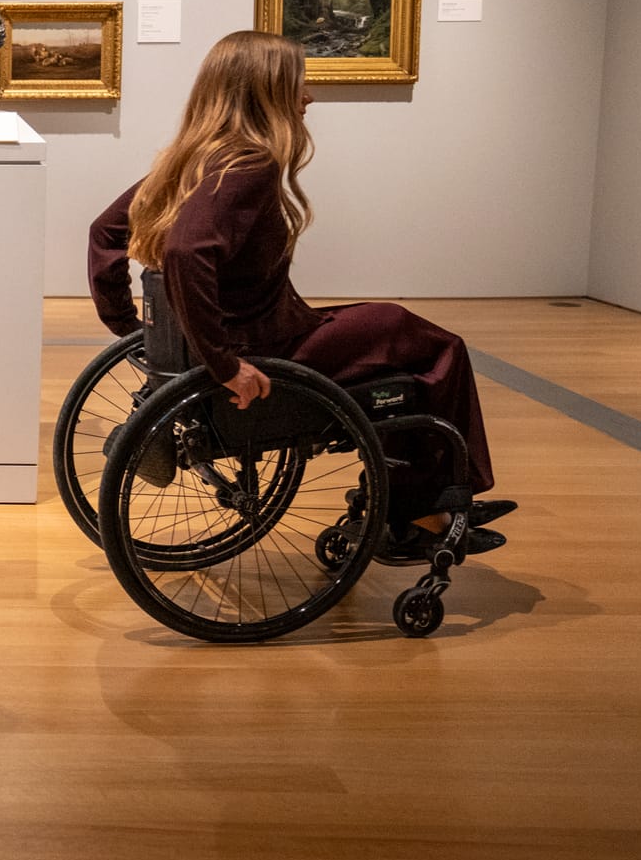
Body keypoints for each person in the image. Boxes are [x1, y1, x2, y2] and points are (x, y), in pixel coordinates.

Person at [85, 29, 515, 559]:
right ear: (263, 91)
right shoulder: (248, 164)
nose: (309, 96)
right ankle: (430, 505)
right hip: (267, 351)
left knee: (390, 346)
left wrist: (129, 327)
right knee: (431, 344)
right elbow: (185, 253)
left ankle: (416, 503)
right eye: (298, 83)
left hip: (255, 334)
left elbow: (105, 232)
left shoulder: (191, 159)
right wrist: (225, 365)